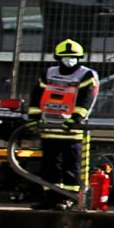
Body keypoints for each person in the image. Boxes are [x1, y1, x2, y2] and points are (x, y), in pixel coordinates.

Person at [34, 37, 102, 206]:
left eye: (73, 57)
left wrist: (76, 118)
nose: (69, 60)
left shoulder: (86, 75)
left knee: (71, 167)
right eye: (65, 57)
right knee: (49, 167)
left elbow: (87, 99)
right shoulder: (49, 73)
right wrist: (33, 117)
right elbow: (36, 96)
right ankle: (50, 198)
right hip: (49, 129)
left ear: (79, 58)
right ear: (58, 58)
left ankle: (69, 198)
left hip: (72, 131)